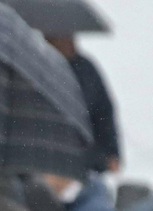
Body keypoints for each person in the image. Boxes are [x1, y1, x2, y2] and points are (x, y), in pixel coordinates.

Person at [42, 32, 120, 173]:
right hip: (46, 159)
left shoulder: (85, 69)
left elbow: (103, 112)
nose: (70, 43)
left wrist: (111, 152)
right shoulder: (37, 67)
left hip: (85, 158)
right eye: (63, 38)